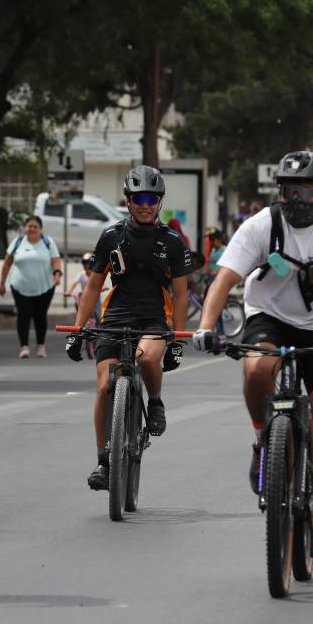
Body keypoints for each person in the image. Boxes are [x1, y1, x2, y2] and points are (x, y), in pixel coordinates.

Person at [191, 150, 313, 558]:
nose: (295, 198)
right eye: (287, 190)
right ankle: (263, 439)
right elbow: (224, 279)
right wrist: (206, 327)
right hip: (271, 316)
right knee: (258, 367)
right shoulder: (262, 225)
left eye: (303, 190)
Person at [67, 165, 192, 492]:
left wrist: (177, 338)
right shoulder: (111, 236)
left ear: (159, 202)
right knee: (104, 387)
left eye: (151, 198)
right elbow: (93, 287)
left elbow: (180, 294)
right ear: (127, 201)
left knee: (149, 359)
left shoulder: (172, 242)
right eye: (138, 198)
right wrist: (77, 330)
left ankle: (155, 402)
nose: (145, 204)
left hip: (153, 317)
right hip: (116, 318)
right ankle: (103, 461)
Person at [0, 215, 62, 358]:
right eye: (29, 226)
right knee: (23, 315)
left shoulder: (48, 242)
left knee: (40, 316)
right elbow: (7, 263)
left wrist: (57, 274)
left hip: (45, 287)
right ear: (25, 228)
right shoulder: (18, 242)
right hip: (20, 286)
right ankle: (24, 347)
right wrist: (2, 283)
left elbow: (56, 261)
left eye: (35, 227)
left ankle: (41, 346)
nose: (32, 229)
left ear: (40, 229)